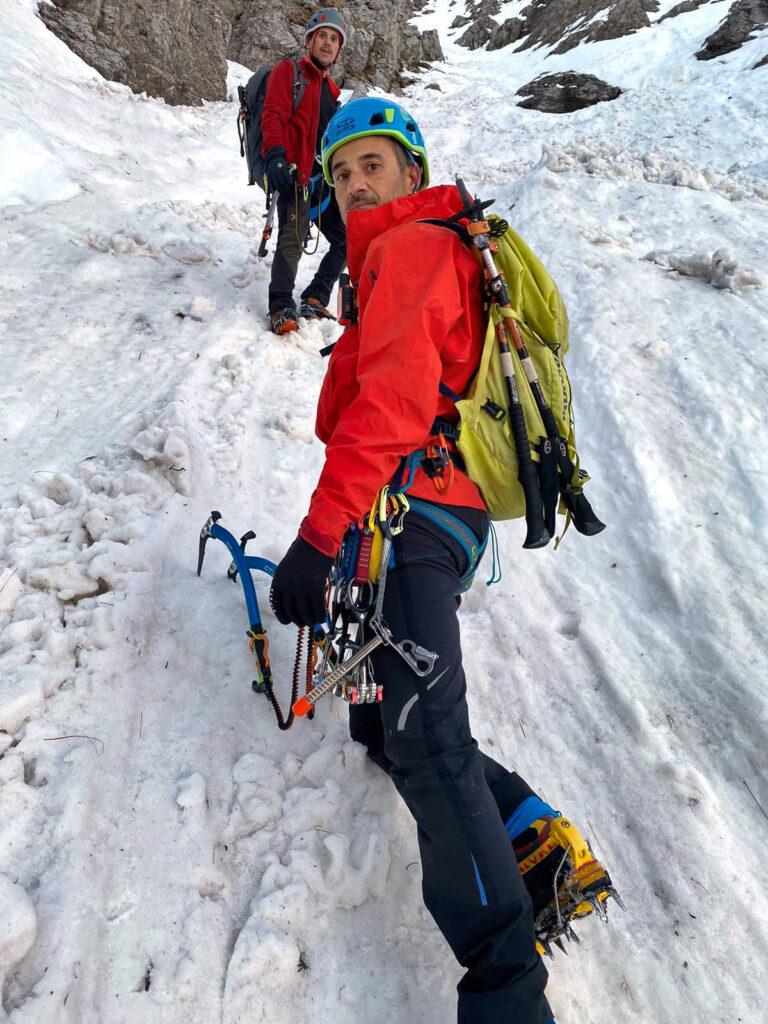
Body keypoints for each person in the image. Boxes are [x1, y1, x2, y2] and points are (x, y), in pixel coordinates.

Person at [269, 97, 616, 1024]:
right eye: (340, 175)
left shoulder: (416, 251)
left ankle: (507, 994)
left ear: (411, 172)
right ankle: (527, 832)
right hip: (423, 516)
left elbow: (387, 410)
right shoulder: (397, 253)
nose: (351, 186)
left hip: (421, 515)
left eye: (371, 166)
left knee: (423, 737)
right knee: (392, 725)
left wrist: (313, 538)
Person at [261, 7, 349, 335]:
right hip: (294, 175)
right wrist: (275, 156)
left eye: (334, 39)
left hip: (322, 183)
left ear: (338, 49)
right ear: (310, 40)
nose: (327, 43)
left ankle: (315, 297)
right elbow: (273, 114)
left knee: (348, 240)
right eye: (322, 36)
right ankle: (281, 305)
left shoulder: (331, 93)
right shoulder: (290, 72)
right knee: (292, 240)